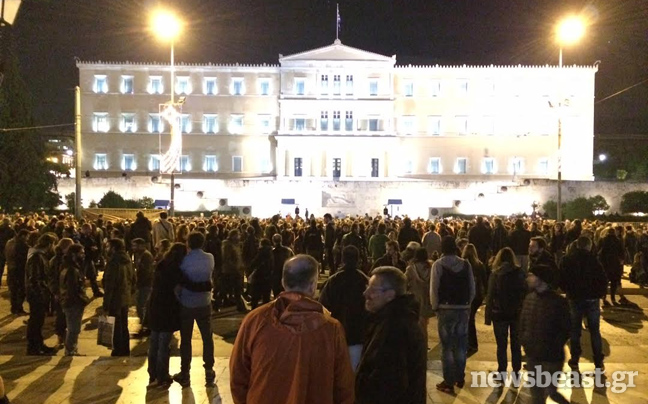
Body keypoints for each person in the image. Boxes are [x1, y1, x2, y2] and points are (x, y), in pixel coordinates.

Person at [230, 254, 354, 404]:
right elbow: (344, 388)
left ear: (283, 282)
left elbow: (238, 375)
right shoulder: (331, 329)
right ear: (313, 285)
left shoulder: (255, 320)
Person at [356, 266, 427, 404]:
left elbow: (390, 385)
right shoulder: (391, 319)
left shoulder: (394, 329)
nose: (366, 293)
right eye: (367, 286)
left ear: (390, 295)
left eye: (373, 289)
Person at [519, 258, 570, 404]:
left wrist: (554, 345)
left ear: (541, 279)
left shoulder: (558, 302)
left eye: (531, 275)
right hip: (533, 355)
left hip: (551, 357)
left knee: (550, 392)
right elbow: (522, 323)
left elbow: (566, 328)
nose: (528, 278)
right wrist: (525, 342)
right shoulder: (529, 298)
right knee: (536, 395)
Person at [430, 236, 475, 394]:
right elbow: (472, 286)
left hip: (445, 308)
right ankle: (459, 377)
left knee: (447, 347)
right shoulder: (465, 264)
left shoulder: (438, 265)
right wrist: (467, 304)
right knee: (461, 345)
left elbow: (434, 288)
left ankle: (448, 381)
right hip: (462, 308)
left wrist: (435, 307)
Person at [173, 232, 216, 388]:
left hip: (187, 302)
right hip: (204, 302)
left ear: (188, 243)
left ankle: (185, 372)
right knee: (207, 337)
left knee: (186, 340)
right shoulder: (210, 258)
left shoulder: (184, 260)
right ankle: (209, 369)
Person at [560, 236, 608, 373]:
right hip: (592, 299)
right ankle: (598, 360)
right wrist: (599, 293)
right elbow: (603, 279)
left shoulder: (568, 260)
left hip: (575, 298)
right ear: (588, 246)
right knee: (594, 331)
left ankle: (575, 359)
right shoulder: (594, 260)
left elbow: (562, 279)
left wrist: (568, 290)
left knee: (575, 330)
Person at [319, 245, 369, 371]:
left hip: (337, 334)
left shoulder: (333, 281)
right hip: (358, 335)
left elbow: (323, 308)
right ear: (358, 260)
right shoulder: (364, 281)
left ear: (342, 259)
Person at [147, 243, 186, 389]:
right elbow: (178, 290)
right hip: (167, 308)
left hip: (155, 305)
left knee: (154, 342)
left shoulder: (162, 264)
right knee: (164, 344)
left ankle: (153, 374)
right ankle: (162, 376)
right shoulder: (176, 270)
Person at [484, 247, 526, 378]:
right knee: (516, 343)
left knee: (501, 345)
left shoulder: (496, 274)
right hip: (516, 313)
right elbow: (525, 292)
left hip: (499, 312)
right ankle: (516, 370)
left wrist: (488, 316)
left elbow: (490, 295)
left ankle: (502, 371)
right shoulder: (519, 273)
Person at [102, 238, 136, 357]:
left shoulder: (113, 263)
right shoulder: (127, 260)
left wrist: (106, 304)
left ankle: (117, 350)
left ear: (113, 248)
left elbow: (109, 285)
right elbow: (133, 279)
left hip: (115, 298)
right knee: (123, 324)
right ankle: (125, 349)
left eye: (108, 246)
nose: (106, 249)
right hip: (125, 296)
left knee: (116, 325)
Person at [25, 233, 58, 355]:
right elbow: (35, 279)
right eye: (53, 244)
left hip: (38, 294)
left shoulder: (39, 256)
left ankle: (39, 344)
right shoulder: (37, 257)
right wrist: (42, 293)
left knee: (39, 321)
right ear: (49, 244)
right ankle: (33, 346)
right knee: (36, 320)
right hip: (36, 295)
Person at [59, 244, 91, 356]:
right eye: (81, 253)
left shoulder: (69, 266)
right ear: (74, 254)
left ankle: (72, 349)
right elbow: (73, 289)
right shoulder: (72, 269)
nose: (83, 255)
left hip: (70, 301)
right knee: (74, 328)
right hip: (73, 303)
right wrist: (83, 300)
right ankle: (70, 350)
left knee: (73, 327)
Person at [405, 247, 434, 349]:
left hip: (415, 300)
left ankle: (421, 346)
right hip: (428, 299)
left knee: (418, 326)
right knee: (424, 324)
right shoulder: (431, 267)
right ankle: (424, 344)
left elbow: (404, 283)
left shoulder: (411, 269)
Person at [48, 237, 75, 347]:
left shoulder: (62, 258)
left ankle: (64, 337)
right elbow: (53, 278)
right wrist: (56, 292)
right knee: (62, 315)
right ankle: (61, 337)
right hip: (61, 292)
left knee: (65, 315)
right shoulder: (57, 260)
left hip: (64, 291)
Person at [462, 243, 487, 354]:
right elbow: (485, 280)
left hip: (467, 294)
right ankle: (471, 343)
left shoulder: (462, 264)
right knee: (470, 318)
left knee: (468, 319)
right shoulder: (479, 265)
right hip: (477, 295)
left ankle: (470, 343)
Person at [598, 227, 627, 306]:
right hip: (615, 264)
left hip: (604, 264)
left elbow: (598, 251)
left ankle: (604, 297)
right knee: (614, 282)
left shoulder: (602, 240)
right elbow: (622, 252)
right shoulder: (618, 241)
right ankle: (613, 298)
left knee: (605, 282)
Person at [132, 238, 154, 334]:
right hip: (142, 284)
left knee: (142, 305)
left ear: (141, 245)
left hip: (145, 284)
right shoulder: (140, 255)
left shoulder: (146, 256)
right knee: (140, 305)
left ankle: (147, 326)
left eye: (135, 245)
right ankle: (145, 325)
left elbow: (147, 272)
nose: (133, 248)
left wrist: (139, 282)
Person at [222, 229, 247, 312]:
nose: (239, 236)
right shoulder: (228, 245)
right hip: (232, 270)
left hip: (237, 269)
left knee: (235, 289)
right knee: (236, 289)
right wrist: (235, 267)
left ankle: (238, 305)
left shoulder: (237, 244)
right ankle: (241, 307)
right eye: (237, 235)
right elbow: (228, 259)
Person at [5, 230, 30, 315]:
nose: (27, 239)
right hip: (19, 269)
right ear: (23, 236)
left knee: (14, 289)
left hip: (11, 267)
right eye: (27, 237)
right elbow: (22, 258)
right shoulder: (22, 245)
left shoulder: (9, 242)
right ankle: (19, 308)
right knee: (21, 289)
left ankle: (14, 308)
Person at [248, 238, 274, 309]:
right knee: (266, 297)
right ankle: (266, 311)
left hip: (259, 276)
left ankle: (254, 311)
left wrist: (250, 270)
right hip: (268, 276)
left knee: (255, 295)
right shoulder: (271, 252)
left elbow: (254, 263)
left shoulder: (261, 252)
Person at [271, 233, 293, 297]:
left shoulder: (272, 252)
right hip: (286, 273)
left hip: (275, 274)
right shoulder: (288, 250)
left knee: (276, 293)